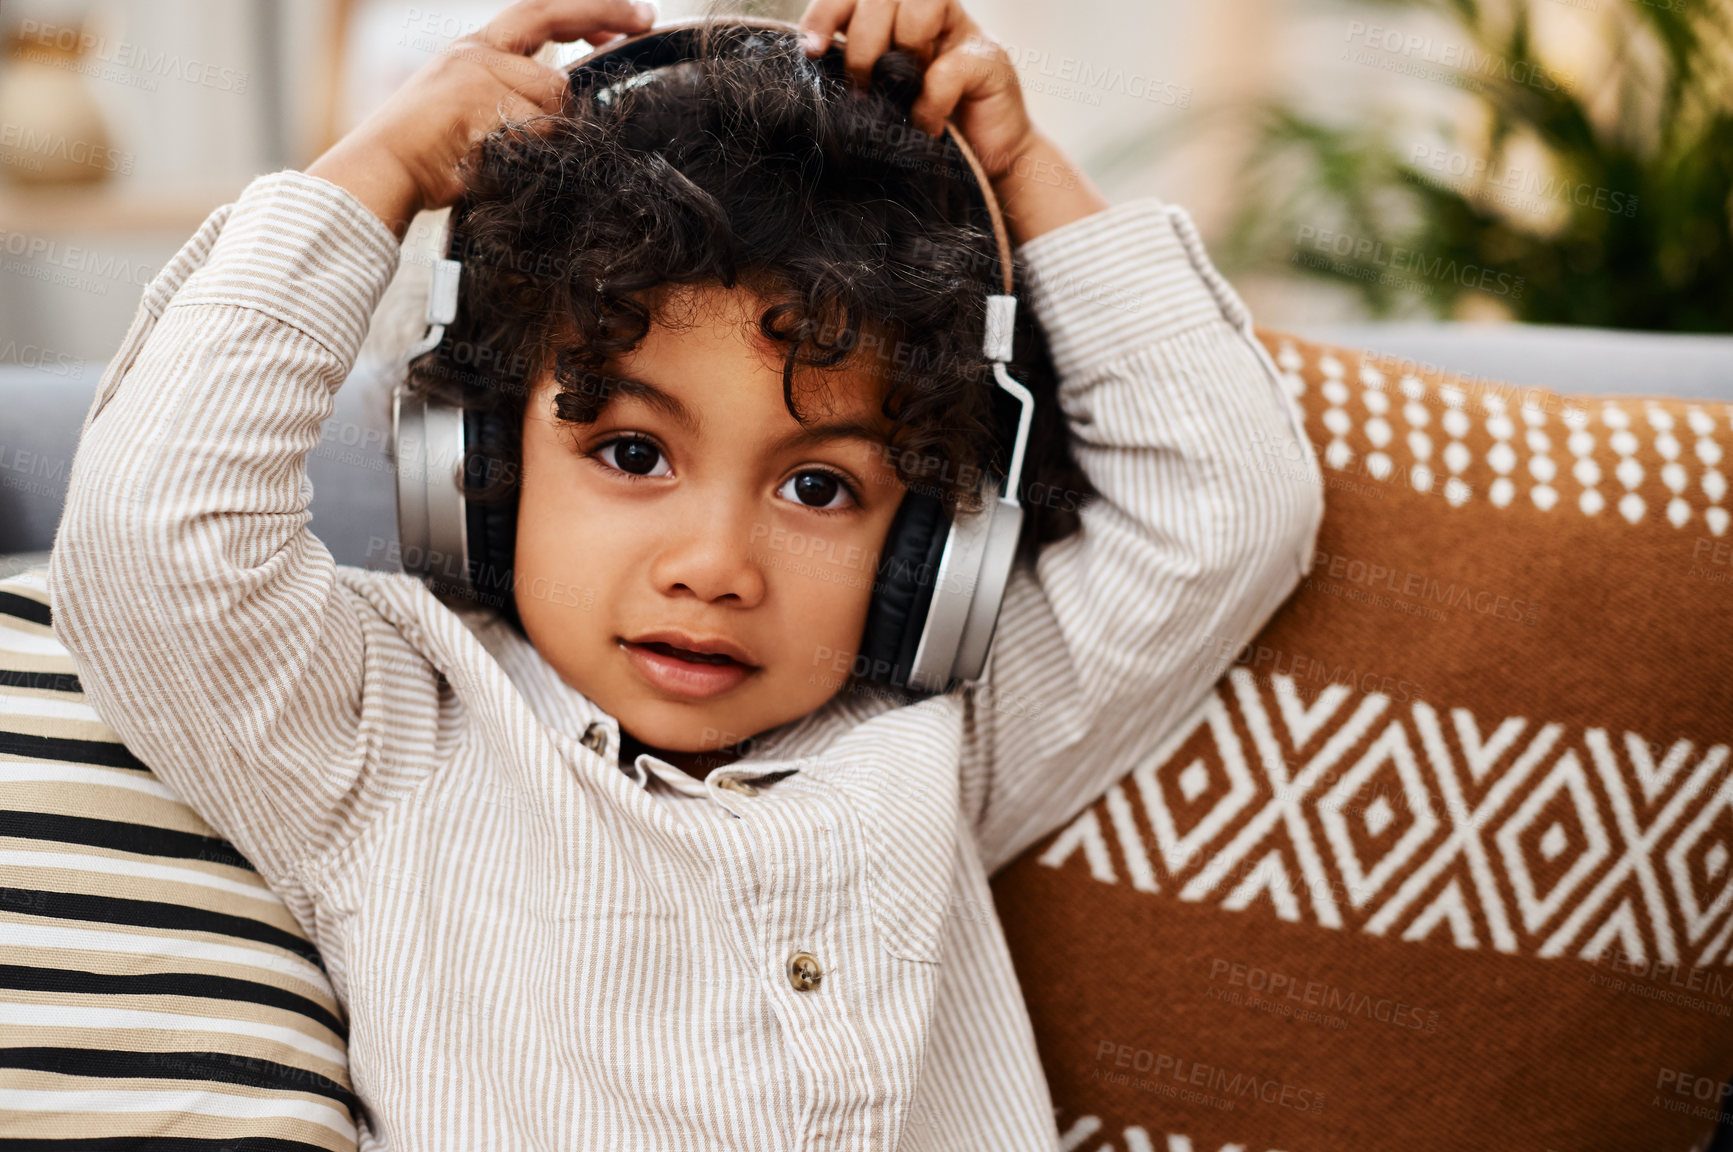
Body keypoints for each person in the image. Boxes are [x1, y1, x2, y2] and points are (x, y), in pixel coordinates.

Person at [46, 0, 1324, 1146]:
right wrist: (373, 177)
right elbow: (156, 535)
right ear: (474, 456)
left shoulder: (942, 742)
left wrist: (1017, 169)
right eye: (632, 450)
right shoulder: (384, 740)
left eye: (818, 487)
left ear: (928, 554)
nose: (715, 568)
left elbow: (1228, 506)